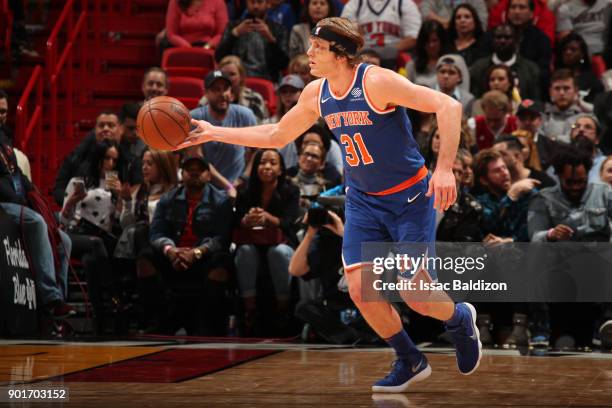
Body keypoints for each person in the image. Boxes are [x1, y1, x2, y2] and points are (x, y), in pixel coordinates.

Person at [177, 17, 482, 392]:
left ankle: (458, 319)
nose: (308, 53)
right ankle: (409, 358)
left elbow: (448, 105)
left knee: (414, 293)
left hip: (410, 197)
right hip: (363, 201)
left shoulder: (376, 81)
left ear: (339, 54)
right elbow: (276, 134)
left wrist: (445, 169)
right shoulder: (316, 93)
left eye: (317, 48)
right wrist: (212, 132)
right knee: (358, 290)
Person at [150, 156, 233, 335]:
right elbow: (156, 233)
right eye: (189, 169)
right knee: (145, 256)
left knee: (222, 260)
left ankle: (208, 324)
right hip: (174, 255)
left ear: (209, 175)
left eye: (200, 169)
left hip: (204, 257)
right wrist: (170, 250)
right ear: (182, 174)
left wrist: (196, 252)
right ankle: (155, 319)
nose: (194, 172)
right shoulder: (167, 199)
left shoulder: (222, 201)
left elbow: (221, 238)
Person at [191, 70, 257, 183]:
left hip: (239, 185)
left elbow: (256, 151)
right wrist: (227, 186)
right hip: (206, 186)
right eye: (216, 89)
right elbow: (198, 157)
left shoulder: (245, 115)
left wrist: (243, 179)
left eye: (225, 88)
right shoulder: (195, 118)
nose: (222, 94)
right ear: (206, 93)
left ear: (231, 92)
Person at [216, 0, 289, 81]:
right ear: (246, 3)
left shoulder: (279, 30)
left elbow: (284, 64)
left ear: (268, 4)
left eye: (259, 2)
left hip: (268, 79)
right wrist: (234, 34)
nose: (256, 6)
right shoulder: (233, 26)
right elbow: (219, 57)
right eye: (252, 2)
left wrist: (270, 38)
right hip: (237, 79)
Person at [198, 55, 269, 123]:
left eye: (232, 74)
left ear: (241, 77)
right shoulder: (206, 100)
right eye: (224, 74)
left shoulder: (254, 99)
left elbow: (263, 128)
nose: (228, 78)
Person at [406, 21, 450, 90]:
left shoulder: (453, 62)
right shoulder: (412, 65)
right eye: (427, 41)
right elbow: (406, 91)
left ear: (442, 41)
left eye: (434, 40)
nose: (431, 45)